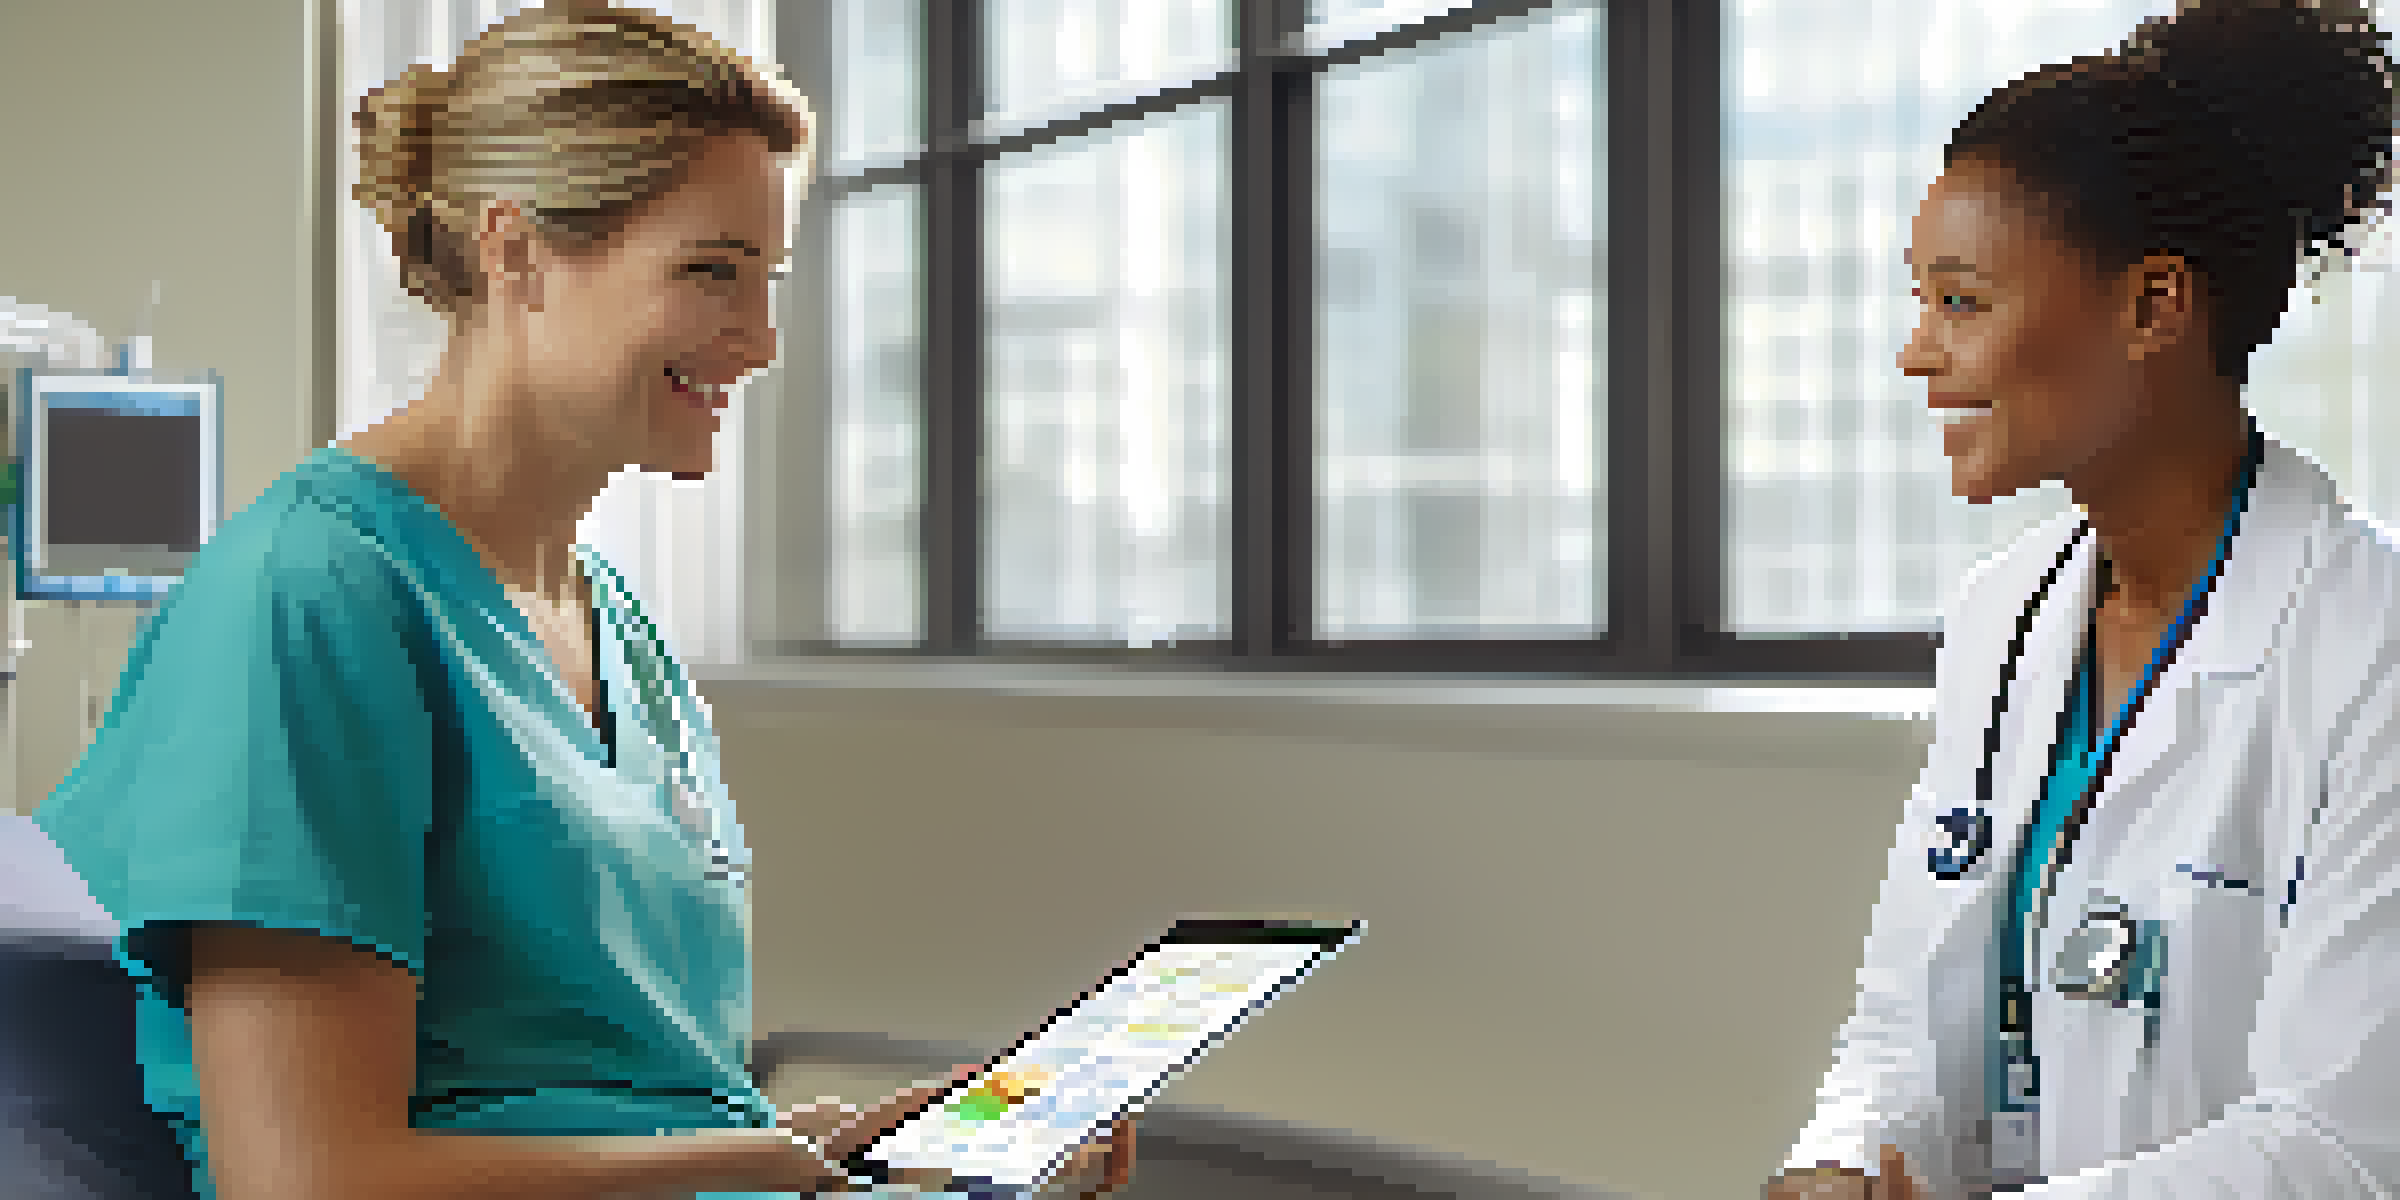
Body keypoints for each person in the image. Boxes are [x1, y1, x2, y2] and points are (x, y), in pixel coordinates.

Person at [30, 4, 1134, 1198]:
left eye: (766, 279)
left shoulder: (615, 621)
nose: (759, 339)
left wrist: (842, 1151)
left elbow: (615, 1079)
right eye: (711, 272)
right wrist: (779, 1168)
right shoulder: (315, 593)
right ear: (515, 253)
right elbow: (308, 1180)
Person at [1763, 1, 2400, 1197]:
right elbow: (1901, 1024)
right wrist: (1844, 1159)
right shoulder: (2003, 618)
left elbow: (2339, 1150)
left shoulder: (2373, 650)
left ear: (2153, 305)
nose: (1915, 351)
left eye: (1961, 300)